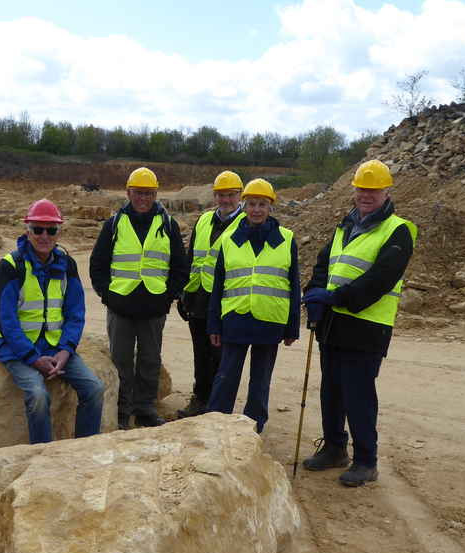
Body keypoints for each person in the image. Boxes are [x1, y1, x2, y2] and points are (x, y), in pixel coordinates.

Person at [301, 159, 417, 487]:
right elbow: (325, 263)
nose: (366, 195)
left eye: (373, 190)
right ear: (354, 190)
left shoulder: (398, 230)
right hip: (334, 325)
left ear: (385, 192)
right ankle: (335, 448)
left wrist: (334, 298)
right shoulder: (346, 226)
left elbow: (380, 280)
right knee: (332, 391)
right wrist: (315, 294)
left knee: (359, 395)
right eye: (361, 189)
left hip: (367, 327)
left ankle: (367, 460)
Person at [0, 199, 104, 444]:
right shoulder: (11, 266)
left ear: (58, 232)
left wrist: (65, 350)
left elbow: (75, 313)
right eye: (37, 229)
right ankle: (41, 454)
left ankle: (84, 448)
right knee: (38, 395)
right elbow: (5, 319)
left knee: (93, 389)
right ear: (27, 230)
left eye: (51, 230)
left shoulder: (65, 264)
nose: (44, 236)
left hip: (55, 347)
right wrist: (32, 358)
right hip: (17, 350)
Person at [89, 167, 188, 429]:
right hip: (120, 306)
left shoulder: (167, 225)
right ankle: (122, 410)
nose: (143, 198)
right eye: (138, 193)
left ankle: (144, 408)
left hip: (154, 307)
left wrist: (170, 296)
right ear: (128, 193)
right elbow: (97, 264)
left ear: (155, 194)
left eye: (148, 193)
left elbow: (180, 266)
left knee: (149, 360)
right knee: (120, 360)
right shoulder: (113, 225)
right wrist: (106, 294)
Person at [206, 178, 300, 433]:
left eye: (262, 204)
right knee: (226, 376)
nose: (257, 209)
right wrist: (214, 323)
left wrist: (292, 327)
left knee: (260, 381)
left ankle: (253, 426)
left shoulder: (286, 239)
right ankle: (215, 423)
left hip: (270, 321)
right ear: (245, 206)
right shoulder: (229, 240)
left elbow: (294, 285)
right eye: (252, 204)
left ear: (270, 207)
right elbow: (218, 287)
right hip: (235, 318)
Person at [177, 170, 245, 418]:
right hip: (199, 298)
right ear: (215, 196)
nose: (225, 200)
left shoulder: (246, 223)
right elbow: (192, 258)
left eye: (231, 195)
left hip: (227, 301)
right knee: (201, 353)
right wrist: (184, 294)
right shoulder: (204, 220)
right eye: (221, 195)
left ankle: (217, 407)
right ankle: (200, 397)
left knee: (221, 357)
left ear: (240, 195)